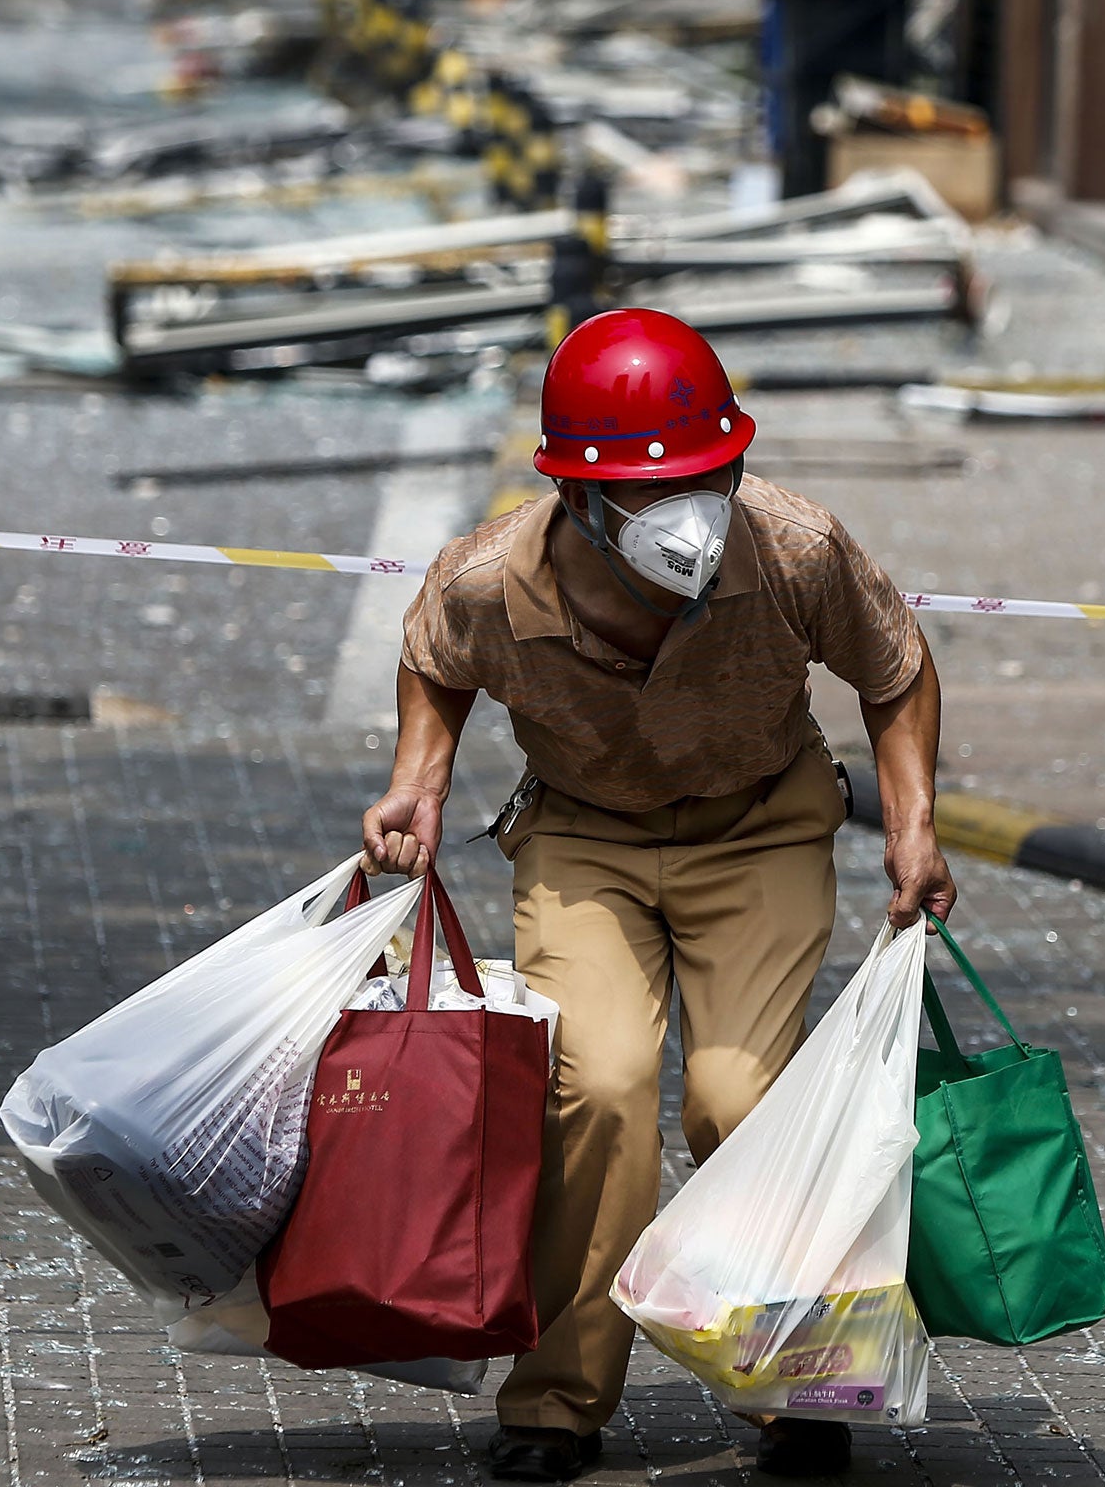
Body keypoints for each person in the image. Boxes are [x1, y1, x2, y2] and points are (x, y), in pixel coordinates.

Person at [363, 308, 954, 1481]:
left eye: (709, 474)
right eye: (653, 490)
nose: (692, 508)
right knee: (600, 1089)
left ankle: (794, 1387)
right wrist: (413, 783)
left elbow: (895, 670)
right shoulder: (489, 578)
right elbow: (435, 657)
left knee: (737, 1102)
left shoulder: (790, 545)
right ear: (579, 496)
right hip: (584, 839)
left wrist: (912, 825)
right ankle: (557, 1404)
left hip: (759, 834)